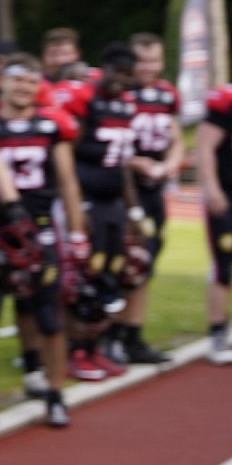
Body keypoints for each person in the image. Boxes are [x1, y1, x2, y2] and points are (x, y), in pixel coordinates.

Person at [0, 54, 85, 425]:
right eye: (17, 80)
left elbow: (68, 182)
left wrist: (76, 233)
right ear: (3, 83)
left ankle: (56, 392)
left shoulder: (49, 126)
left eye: (31, 81)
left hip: (40, 228)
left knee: (48, 314)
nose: (24, 87)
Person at [63, 43, 144, 380]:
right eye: (117, 73)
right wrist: (77, 207)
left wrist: (134, 210)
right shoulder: (87, 101)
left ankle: (95, 347)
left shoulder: (125, 107)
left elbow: (123, 164)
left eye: (127, 76)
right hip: (89, 199)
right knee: (86, 278)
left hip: (112, 202)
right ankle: (75, 350)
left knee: (111, 275)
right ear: (105, 68)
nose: (121, 81)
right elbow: (68, 156)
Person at [108, 31, 180, 364]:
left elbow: (176, 137)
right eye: (143, 61)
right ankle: (110, 335)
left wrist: (168, 164)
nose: (149, 67)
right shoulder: (120, 93)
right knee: (122, 262)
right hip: (126, 187)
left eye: (155, 60)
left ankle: (132, 336)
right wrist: (138, 164)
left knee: (146, 262)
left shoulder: (167, 94)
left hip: (153, 189)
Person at [198, 81, 232, 364]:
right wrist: (211, 187)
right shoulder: (226, 100)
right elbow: (205, 146)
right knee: (224, 263)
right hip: (226, 194)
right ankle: (217, 332)